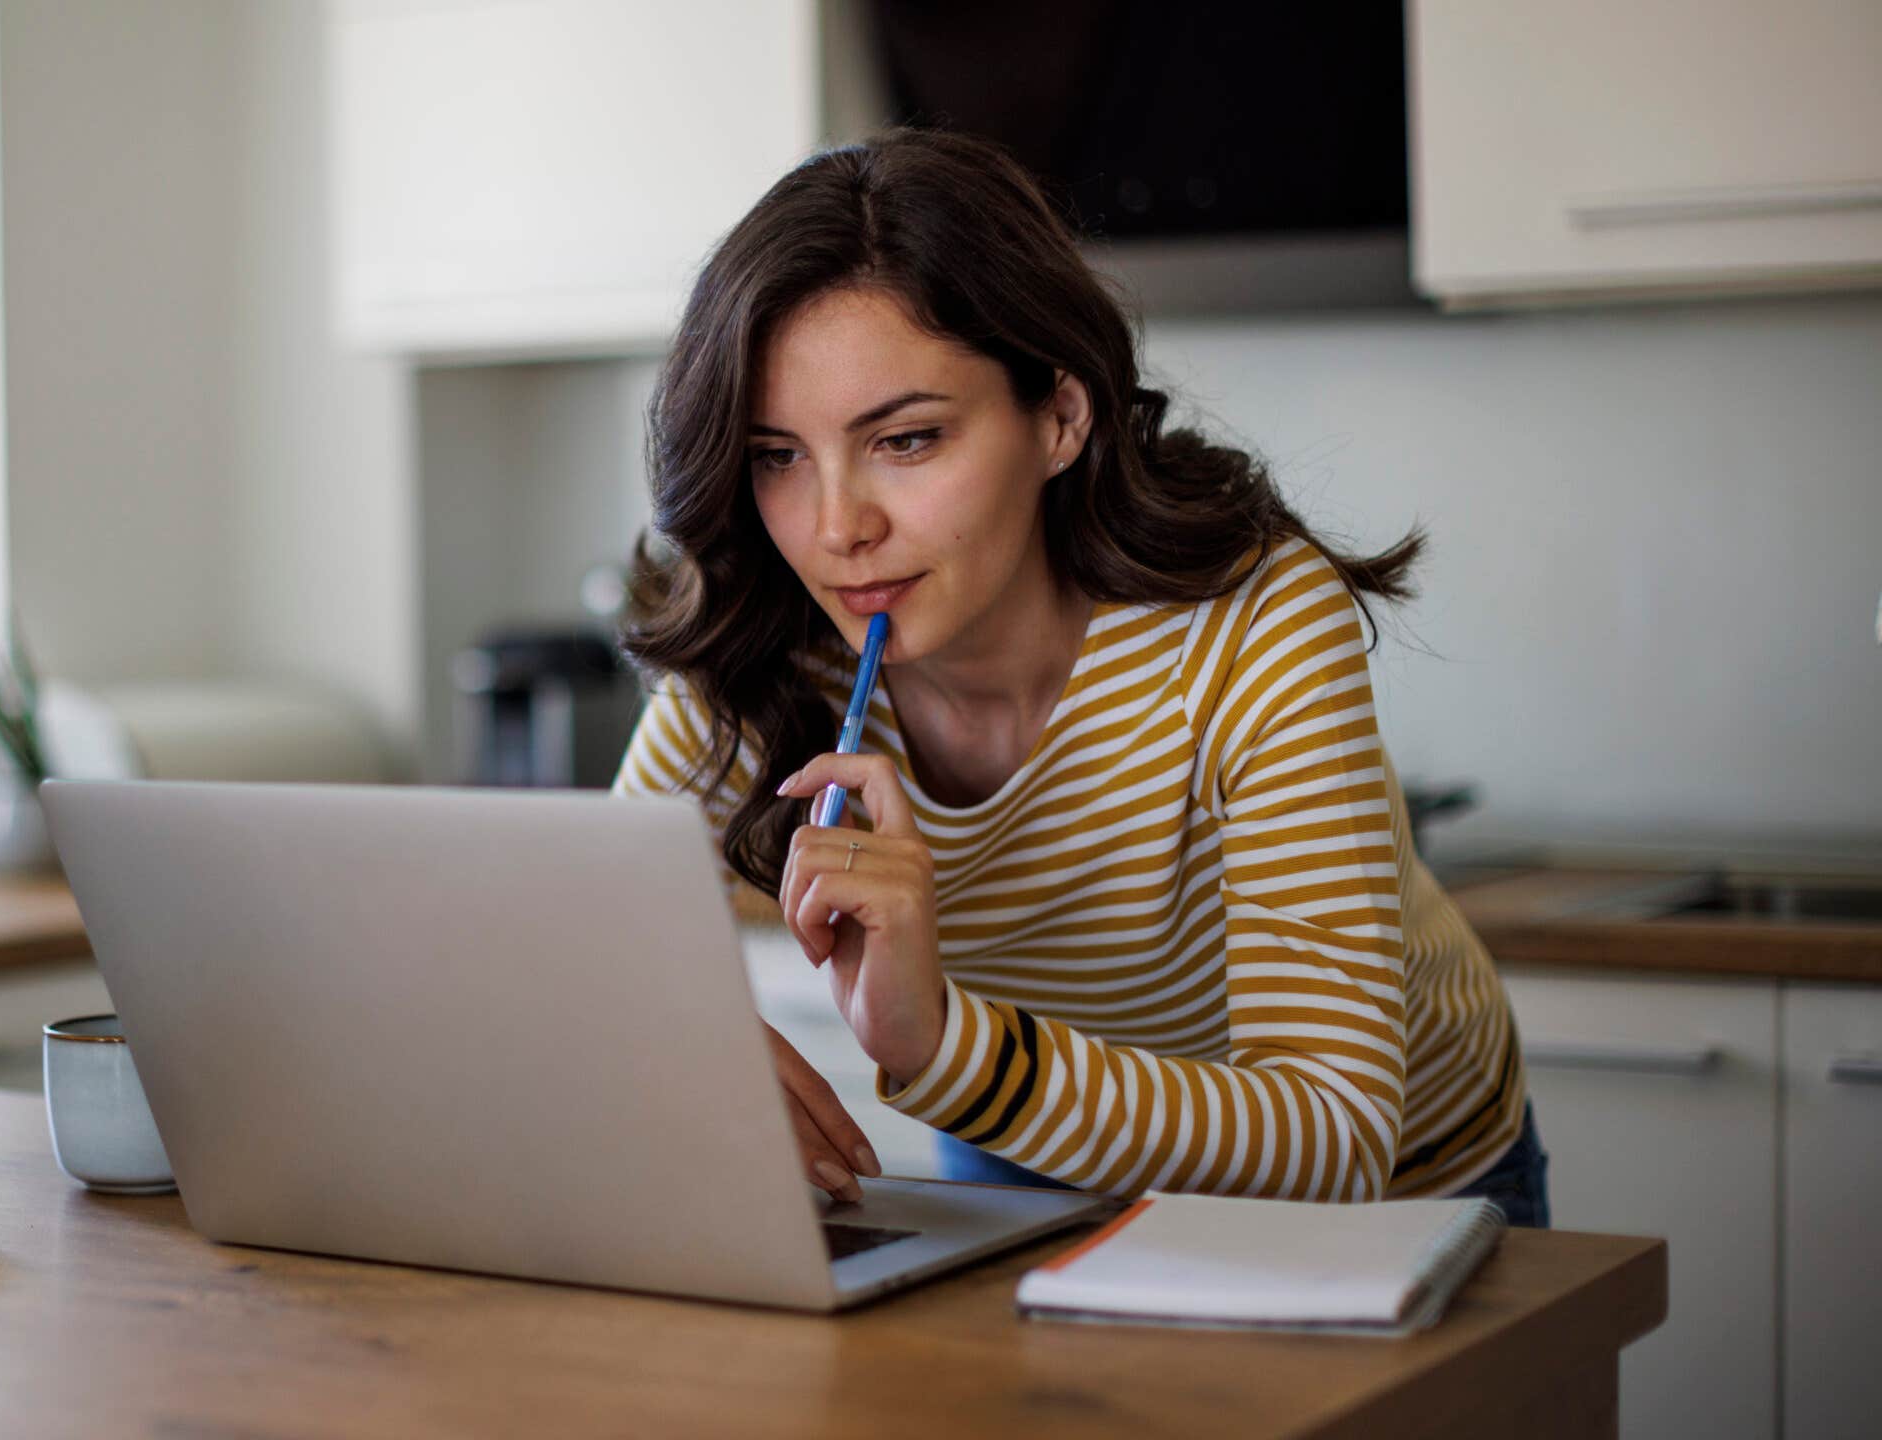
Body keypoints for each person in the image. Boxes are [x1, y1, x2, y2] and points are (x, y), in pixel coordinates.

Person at [610, 128, 1547, 1228]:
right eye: (777, 456)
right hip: (1034, 1158)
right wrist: (681, 1042)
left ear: (1058, 416)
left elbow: (1333, 1131)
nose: (835, 530)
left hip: (1395, 1196)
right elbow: (586, 949)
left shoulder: (1249, 620)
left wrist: (947, 1049)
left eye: (906, 440)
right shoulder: (770, 638)